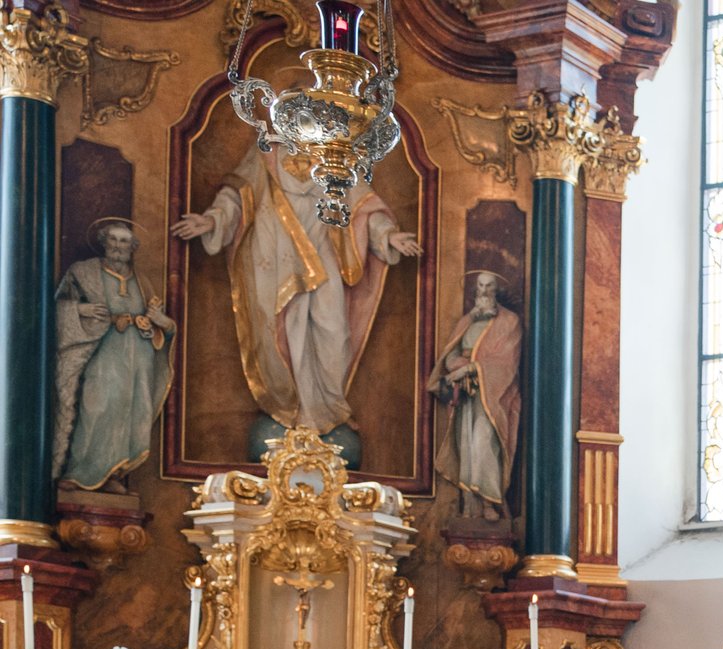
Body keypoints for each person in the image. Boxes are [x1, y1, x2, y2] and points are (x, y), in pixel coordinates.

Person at [173, 149, 423, 443]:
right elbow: (236, 195)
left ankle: (327, 410)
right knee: (281, 333)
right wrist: (213, 220)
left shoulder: (334, 153)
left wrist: (388, 236)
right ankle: (292, 412)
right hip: (276, 259)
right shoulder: (266, 152)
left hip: (325, 254)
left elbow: (362, 206)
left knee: (335, 332)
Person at [53, 219, 175, 492]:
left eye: (125, 242)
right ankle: (80, 471)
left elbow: (163, 327)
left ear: (133, 248)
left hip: (138, 358)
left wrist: (155, 322)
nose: (119, 246)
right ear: (104, 242)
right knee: (96, 406)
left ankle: (113, 475)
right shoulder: (83, 273)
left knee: (133, 411)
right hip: (102, 353)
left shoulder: (143, 282)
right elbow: (54, 309)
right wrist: (81, 311)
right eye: (114, 240)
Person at [428, 272, 524, 523]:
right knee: (466, 448)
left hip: (493, 395)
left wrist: (471, 368)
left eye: (489, 286)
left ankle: (490, 501)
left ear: (496, 290)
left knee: (484, 443)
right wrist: (458, 366)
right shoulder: (467, 322)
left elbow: (506, 363)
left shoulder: (509, 322)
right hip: (467, 397)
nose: (484, 291)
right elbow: (450, 354)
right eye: (480, 286)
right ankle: (470, 506)